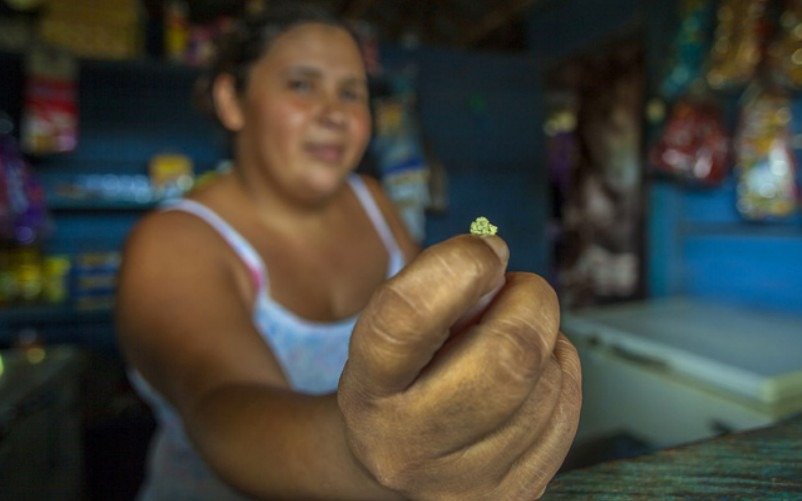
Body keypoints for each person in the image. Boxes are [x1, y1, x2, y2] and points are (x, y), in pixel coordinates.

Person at [115, 5, 582, 500]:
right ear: (232, 100)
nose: (333, 114)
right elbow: (221, 407)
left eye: (351, 92)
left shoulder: (373, 203)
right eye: (302, 85)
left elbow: (426, 334)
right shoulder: (174, 242)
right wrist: (366, 456)